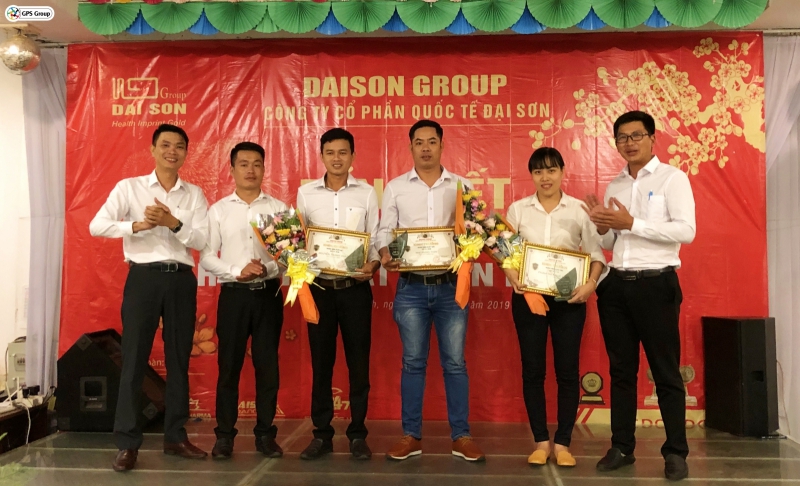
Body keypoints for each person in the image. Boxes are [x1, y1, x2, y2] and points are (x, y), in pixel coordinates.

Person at [89, 124, 209, 472]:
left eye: (179, 146)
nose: (172, 151)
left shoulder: (195, 195)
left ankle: (175, 436)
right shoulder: (129, 187)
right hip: (143, 278)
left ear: (186, 153)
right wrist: (136, 226)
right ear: (153, 149)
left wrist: (173, 222)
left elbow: (202, 240)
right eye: (166, 145)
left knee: (178, 359)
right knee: (134, 359)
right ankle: (128, 443)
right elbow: (97, 225)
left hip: (181, 280)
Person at [583, 110, 695, 481]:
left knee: (665, 371)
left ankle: (675, 452)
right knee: (621, 372)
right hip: (617, 285)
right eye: (622, 137)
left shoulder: (672, 178)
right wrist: (602, 225)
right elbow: (611, 242)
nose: (629, 143)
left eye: (636, 135)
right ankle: (622, 446)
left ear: (652, 138)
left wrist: (632, 222)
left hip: (656, 284)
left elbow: (686, 231)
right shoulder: (614, 185)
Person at [378, 119, 485, 462]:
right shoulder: (396, 187)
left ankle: (461, 436)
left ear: (442, 145)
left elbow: (476, 229)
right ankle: (411, 436)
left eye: (432, 141)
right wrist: (384, 253)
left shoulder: (462, 186)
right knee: (413, 363)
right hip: (411, 287)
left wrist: (471, 244)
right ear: (410, 147)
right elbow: (384, 231)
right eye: (419, 142)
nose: (426, 148)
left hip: (451, 287)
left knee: (455, 363)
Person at [503, 147, 605, 467]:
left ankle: (562, 443)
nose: (545, 177)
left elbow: (597, 255)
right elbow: (507, 253)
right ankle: (540, 441)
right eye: (538, 171)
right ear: (531, 175)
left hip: (569, 299)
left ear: (562, 172)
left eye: (551, 170)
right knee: (533, 370)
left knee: (567, 371)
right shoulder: (518, 210)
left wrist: (590, 285)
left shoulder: (578, 210)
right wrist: (512, 276)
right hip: (529, 297)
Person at [295, 128, 380, 460]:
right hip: (319, 290)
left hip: (355, 290)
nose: (336, 158)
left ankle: (358, 434)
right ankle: (322, 434)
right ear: (321, 156)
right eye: (330, 152)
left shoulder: (367, 193)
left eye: (343, 152)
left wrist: (373, 263)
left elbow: (375, 237)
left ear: (353, 156)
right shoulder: (306, 194)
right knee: (321, 364)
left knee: (359, 364)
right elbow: (298, 241)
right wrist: (298, 261)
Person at [199, 142, 287, 460]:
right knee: (229, 367)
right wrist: (238, 271)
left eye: (257, 164)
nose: (251, 170)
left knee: (267, 367)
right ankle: (224, 437)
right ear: (232, 169)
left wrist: (268, 269)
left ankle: (265, 435)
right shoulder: (219, 210)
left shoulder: (278, 208)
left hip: (268, 296)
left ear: (264, 168)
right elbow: (207, 256)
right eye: (244, 164)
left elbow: (290, 257)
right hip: (234, 297)